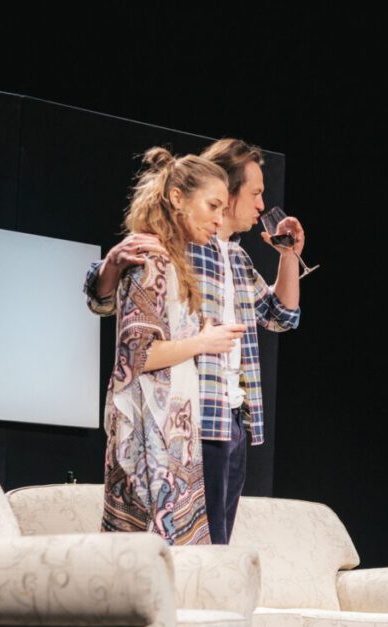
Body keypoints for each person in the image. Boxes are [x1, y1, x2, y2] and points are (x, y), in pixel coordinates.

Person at [86, 138, 302, 544]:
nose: (261, 205)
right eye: (254, 193)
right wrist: (111, 266)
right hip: (190, 415)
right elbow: (109, 301)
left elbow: (282, 317)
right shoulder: (177, 245)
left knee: (213, 545)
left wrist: (289, 256)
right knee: (191, 548)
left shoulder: (237, 258)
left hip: (232, 415)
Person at [102, 147, 246, 544]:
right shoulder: (152, 259)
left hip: (174, 427)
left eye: (223, 209)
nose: (219, 219)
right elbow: (138, 356)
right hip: (151, 431)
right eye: (213, 206)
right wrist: (203, 341)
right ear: (178, 198)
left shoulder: (176, 260)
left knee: (181, 557)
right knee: (154, 554)